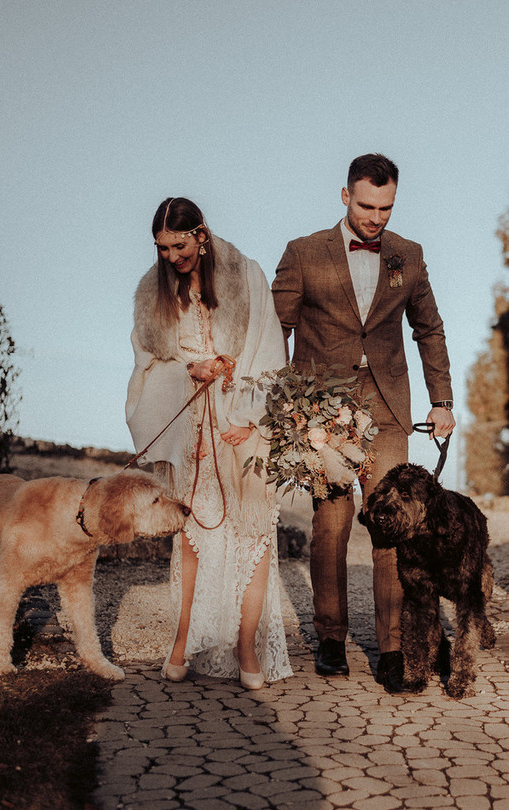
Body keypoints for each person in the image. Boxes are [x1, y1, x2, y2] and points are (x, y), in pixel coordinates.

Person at [272, 154, 455, 693]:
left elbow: (430, 329)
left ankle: (393, 648)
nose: (376, 218)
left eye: (386, 208)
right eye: (367, 206)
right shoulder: (303, 252)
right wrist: (289, 405)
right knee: (331, 524)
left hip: (388, 409)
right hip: (323, 412)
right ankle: (331, 637)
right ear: (345, 196)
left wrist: (442, 401)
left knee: (394, 526)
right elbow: (276, 328)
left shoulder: (408, 255)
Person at [125, 197, 292, 689]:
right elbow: (146, 367)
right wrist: (186, 371)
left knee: (253, 536)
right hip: (190, 429)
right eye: (162, 248)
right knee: (193, 533)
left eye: (179, 245)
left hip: (241, 421)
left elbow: (268, 350)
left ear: (201, 235)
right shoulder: (153, 295)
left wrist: (250, 419)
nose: (171, 257)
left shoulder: (246, 276)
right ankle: (181, 642)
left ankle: (247, 648)